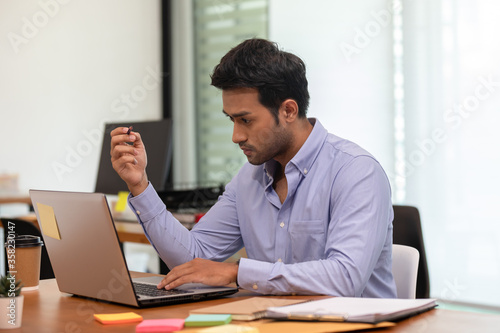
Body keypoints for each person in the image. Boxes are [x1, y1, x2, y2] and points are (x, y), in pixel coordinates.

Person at [110, 38, 397, 298]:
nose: (236, 136)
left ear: (288, 111)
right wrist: (140, 185)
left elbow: (345, 279)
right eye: (231, 120)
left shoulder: (357, 173)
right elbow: (192, 260)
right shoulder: (249, 178)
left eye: (245, 120)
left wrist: (237, 273)